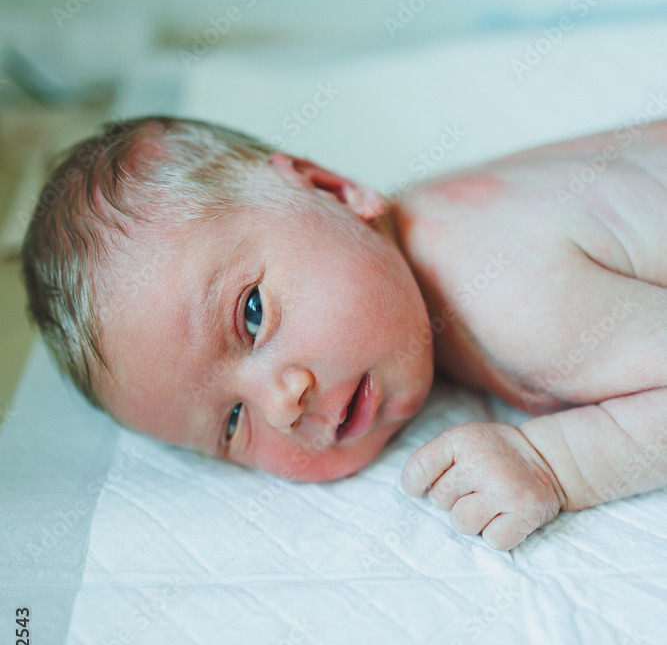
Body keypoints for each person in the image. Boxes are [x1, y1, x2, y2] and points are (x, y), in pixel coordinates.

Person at [21, 116, 667, 550]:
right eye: (231, 422)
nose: (282, 403)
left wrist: (556, 465)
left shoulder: (510, 296)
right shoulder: (410, 228)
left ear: (333, 191)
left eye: (251, 315)